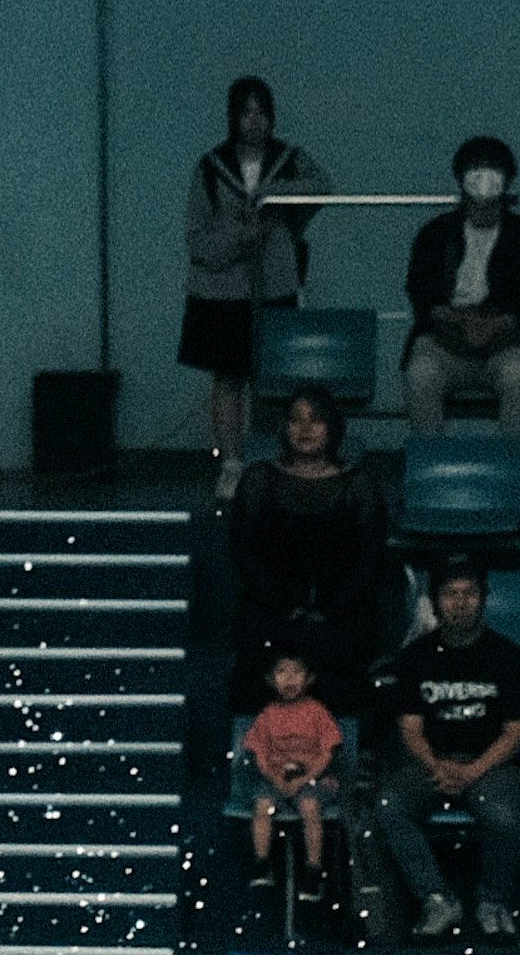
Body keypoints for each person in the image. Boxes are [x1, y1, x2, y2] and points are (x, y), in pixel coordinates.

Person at [368, 552, 520, 943]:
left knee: (505, 817)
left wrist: (472, 771)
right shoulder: (415, 659)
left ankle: (492, 901)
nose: (460, 602)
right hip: (431, 763)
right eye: (451, 594)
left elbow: (514, 732)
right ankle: (437, 900)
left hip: (491, 766)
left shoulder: (509, 658)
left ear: (483, 598)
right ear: (436, 601)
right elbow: (409, 728)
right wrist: (437, 766)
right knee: (390, 806)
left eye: (469, 593)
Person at [184, 76, 331, 499]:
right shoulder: (211, 166)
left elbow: (322, 188)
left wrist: (270, 197)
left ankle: (268, 459)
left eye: (262, 111)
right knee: (228, 378)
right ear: (234, 116)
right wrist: (238, 236)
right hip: (221, 290)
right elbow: (197, 239)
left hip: (273, 285)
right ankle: (231, 464)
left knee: (273, 376)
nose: (255, 121)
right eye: (246, 112)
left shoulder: (289, 159)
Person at [228, 382, 391, 712]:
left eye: (315, 419)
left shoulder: (359, 485)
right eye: (295, 419)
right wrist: (284, 605)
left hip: (342, 609)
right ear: (284, 428)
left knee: (348, 644)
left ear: (332, 427)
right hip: (271, 607)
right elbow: (243, 553)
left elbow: (370, 560)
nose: (304, 429)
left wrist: (331, 608)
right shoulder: (258, 479)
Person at [402, 137, 520, 441]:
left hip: (505, 345)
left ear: (508, 178)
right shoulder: (435, 234)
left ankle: (511, 473)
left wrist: (495, 325)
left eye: (493, 169)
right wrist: (459, 321)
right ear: (460, 177)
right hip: (443, 341)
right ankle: (433, 471)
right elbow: (421, 292)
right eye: (475, 168)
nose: (484, 177)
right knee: (420, 373)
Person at [243, 646, 341, 889]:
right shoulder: (267, 715)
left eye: (297, 672)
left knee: (309, 806)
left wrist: (304, 780)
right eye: (282, 672)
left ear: (309, 679)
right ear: (271, 679)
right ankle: (262, 864)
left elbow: (328, 752)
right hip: (277, 778)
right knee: (262, 805)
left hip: (312, 779)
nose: (289, 678)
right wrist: (275, 780)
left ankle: (313, 871)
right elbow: (259, 755)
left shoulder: (317, 712)